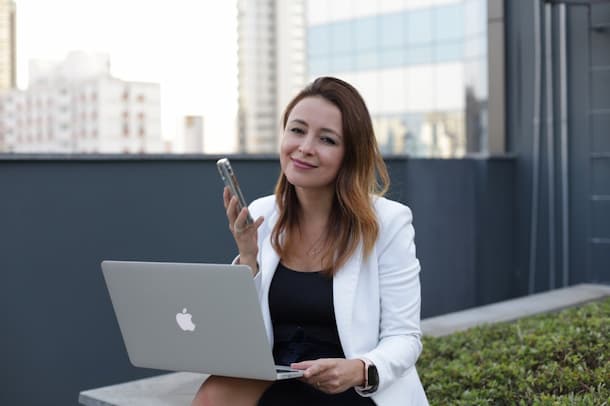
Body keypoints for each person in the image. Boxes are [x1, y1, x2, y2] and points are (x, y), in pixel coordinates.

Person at [192, 77, 428, 406]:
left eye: (327, 139)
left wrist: (360, 369)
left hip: (349, 386)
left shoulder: (388, 222)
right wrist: (248, 257)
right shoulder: (262, 213)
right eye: (297, 130)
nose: (305, 147)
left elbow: (405, 338)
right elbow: (241, 335)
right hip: (278, 377)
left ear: (350, 154)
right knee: (211, 396)